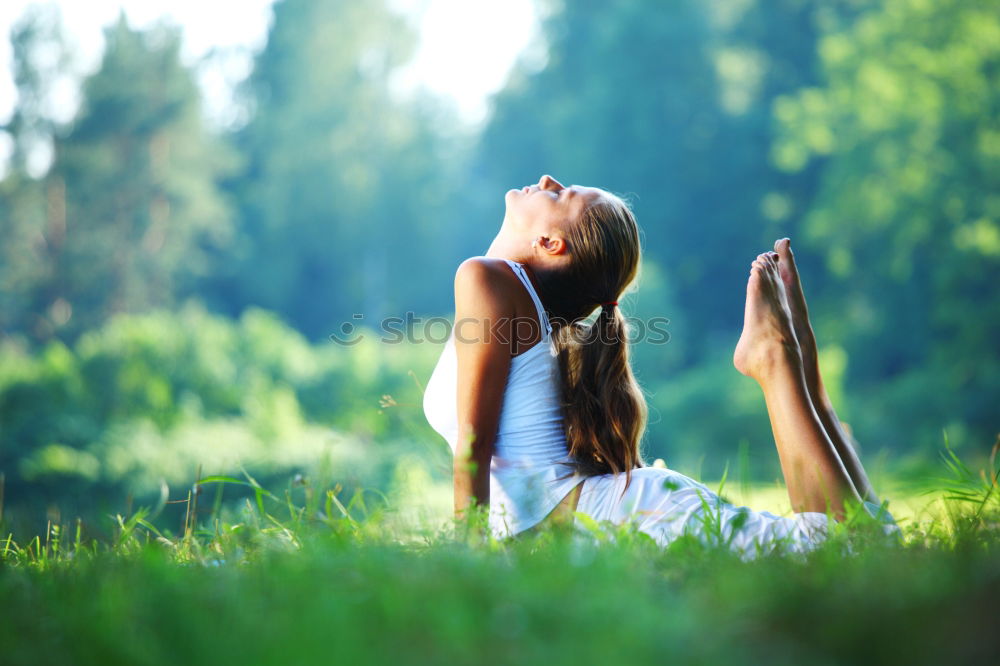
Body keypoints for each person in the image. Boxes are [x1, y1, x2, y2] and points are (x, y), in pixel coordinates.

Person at [423, 175, 894, 557]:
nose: (547, 179)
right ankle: (801, 369)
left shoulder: (485, 278)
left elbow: (473, 441)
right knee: (873, 546)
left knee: (849, 550)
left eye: (560, 194)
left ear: (550, 241)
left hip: (619, 515)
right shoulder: (511, 294)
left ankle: (777, 360)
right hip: (619, 514)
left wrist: (472, 555)